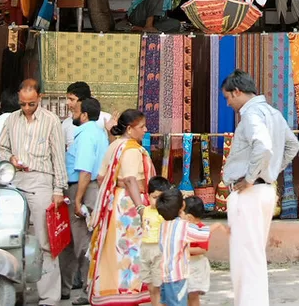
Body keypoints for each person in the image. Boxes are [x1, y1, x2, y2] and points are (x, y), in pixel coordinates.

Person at [221, 70, 299, 306]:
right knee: (253, 253)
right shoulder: (273, 113)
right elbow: (292, 145)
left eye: (228, 98)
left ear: (237, 91)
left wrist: (250, 177)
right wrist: (271, 171)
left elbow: (264, 146)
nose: (228, 103)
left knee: (244, 256)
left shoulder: (251, 114)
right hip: (264, 190)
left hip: (250, 192)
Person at [0, 79, 68, 306]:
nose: (27, 108)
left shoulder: (51, 120)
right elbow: (2, 147)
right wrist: (11, 159)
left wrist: (58, 189)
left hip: (41, 181)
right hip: (16, 180)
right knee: (13, 237)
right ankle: (17, 292)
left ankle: (49, 298)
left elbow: (58, 156)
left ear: (40, 97)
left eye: (31, 104)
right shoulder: (11, 119)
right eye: (23, 104)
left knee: (44, 240)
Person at [87, 110, 156, 306]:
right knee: (130, 252)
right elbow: (131, 180)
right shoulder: (131, 150)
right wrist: (141, 208)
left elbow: (101, 178)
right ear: (129, 129)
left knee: (113, 250)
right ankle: (126, 296)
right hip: (130, 205)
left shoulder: (114, 146)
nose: (145, 130)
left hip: (115, 202)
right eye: (141, 127)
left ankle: (109, 291)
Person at [62, 97, 109, 306]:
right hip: (90, 188)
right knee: (77, 241)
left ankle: (89, 290)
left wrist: (78, 200)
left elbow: (84, 170)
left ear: (85, 115)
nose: (72, 111)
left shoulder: (86, 135)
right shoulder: (98, 133)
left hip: (83, 189)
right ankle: (66, 287)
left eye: (76, 109)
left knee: (83, 244)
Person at [157, 186, 213, 306]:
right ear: (182, 207)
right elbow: (204, 234)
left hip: (165, 275)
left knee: (166, 302)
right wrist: (218, 226)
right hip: (177, 276)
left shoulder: (163, 226)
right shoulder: (182, 226)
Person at [140, 177, 171, 306]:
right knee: (151, 286)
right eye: (154, 197)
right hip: (145, 249)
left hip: (158, 250)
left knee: (158, 286)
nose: (157, 201)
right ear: (148, 196)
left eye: (160, 198)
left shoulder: (163, 213)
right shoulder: (145, 210)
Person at [62, 82, 112, 149]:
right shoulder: (66, 123)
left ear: (83, 100)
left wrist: (111, 133)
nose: (67, 103)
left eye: (72, 99)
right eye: (67, 99)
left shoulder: (106, 119)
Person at [183, 196, 211, 306]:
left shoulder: (201, 229)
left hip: (196, 265)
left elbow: (202, 249)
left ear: (189, 217)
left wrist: (185, 249)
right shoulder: (183, 227)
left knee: (193, 294)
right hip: (186, 264)